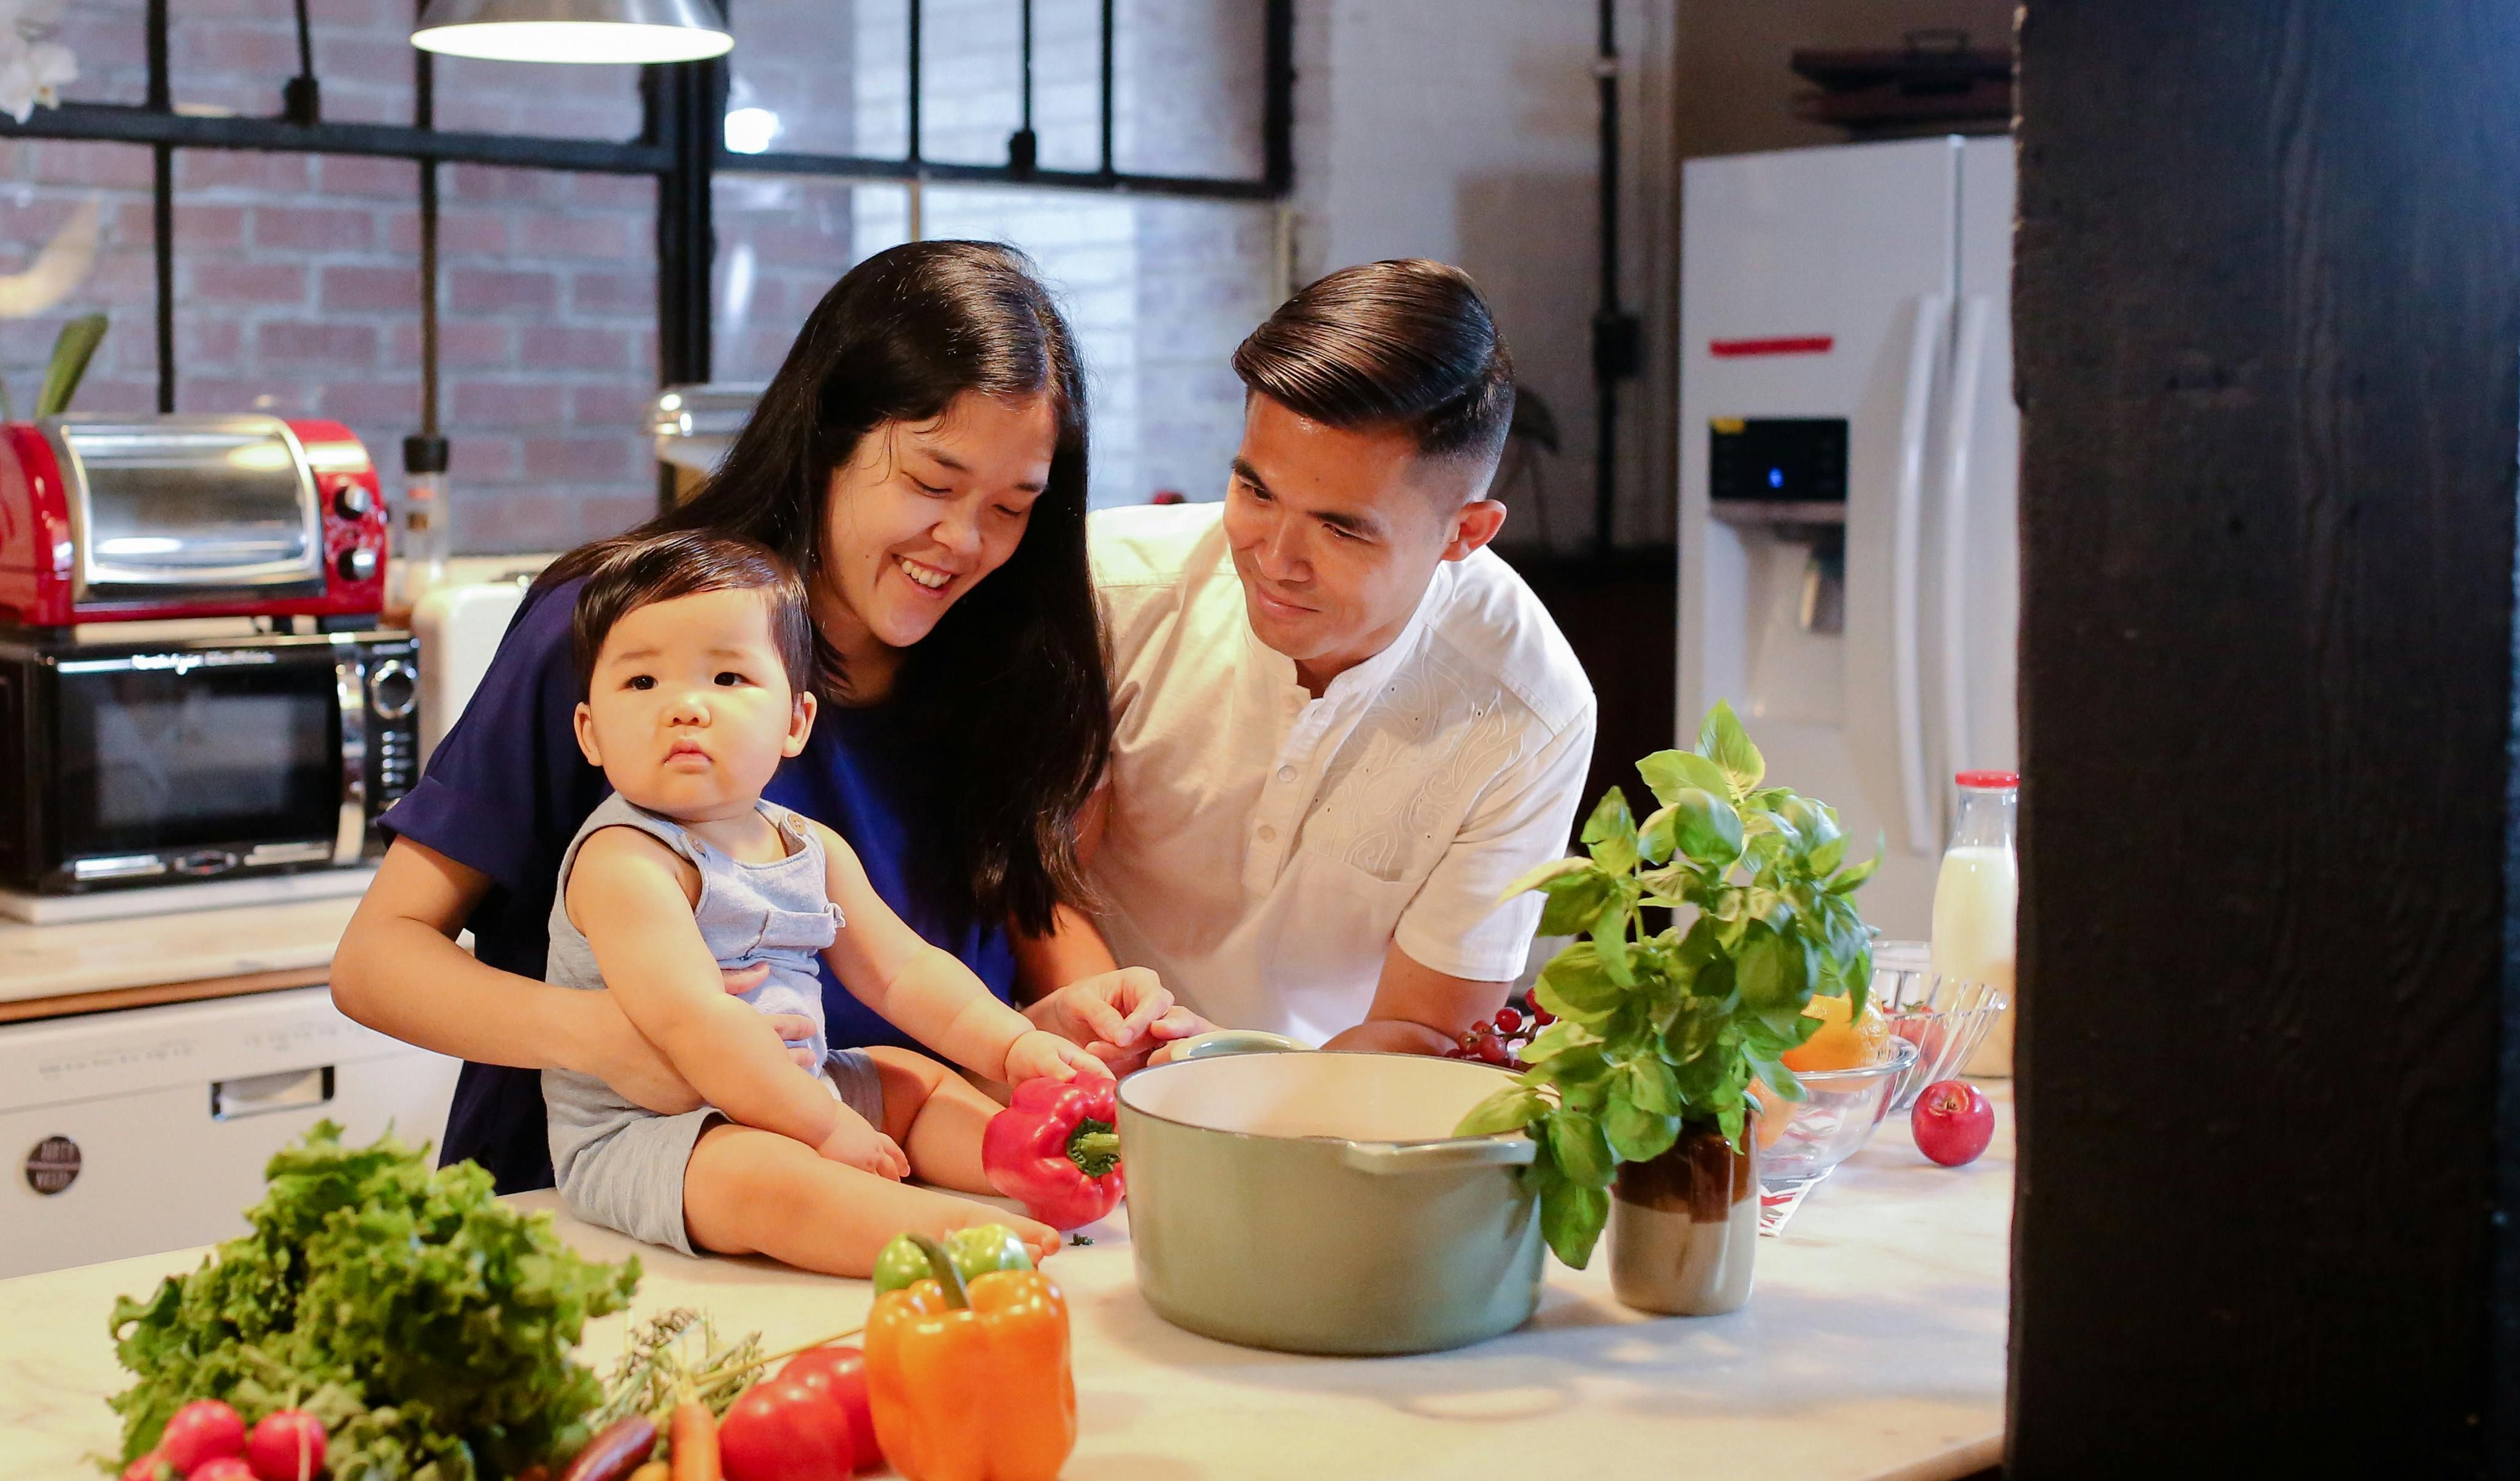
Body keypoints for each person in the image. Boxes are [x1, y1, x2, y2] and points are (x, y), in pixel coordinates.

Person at [331, 241, 1194, 1194]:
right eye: (933, 483)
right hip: (606, 1211)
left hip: (892, 1202)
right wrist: (619, 1038)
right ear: (829, 439)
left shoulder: (1001, 665)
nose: (966, 541)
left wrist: (1056, 1032)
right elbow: (380, 962)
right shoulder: (634, 635)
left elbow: (1023, 938)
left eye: (1011, 506)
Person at [539, 532, 1094, 1273]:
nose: (685, 708)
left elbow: (903, 971)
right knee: (762, 1178)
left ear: (796, 722)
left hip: (806, 1084)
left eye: (729, 677)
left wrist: (1010, 1045)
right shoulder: (625, 860)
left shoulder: (811, 846)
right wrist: (824, 1129)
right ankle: (933, 1234)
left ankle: (1019, 1161)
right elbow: (694, 1023)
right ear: (590, 733)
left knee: (911, 1076)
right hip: (658, 1129)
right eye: (642, 684)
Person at [1083, 259, 1597, 1055]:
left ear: (1466, 533)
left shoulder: (1529, 707)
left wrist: (1225, 1082)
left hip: (1329, 1107)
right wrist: (1124, 1046)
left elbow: (1426, 1028)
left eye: (1342, 528)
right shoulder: (1110, 590)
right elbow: (1030, 881)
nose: (1275, 557)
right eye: (1255, 491)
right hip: (1063, 1068)